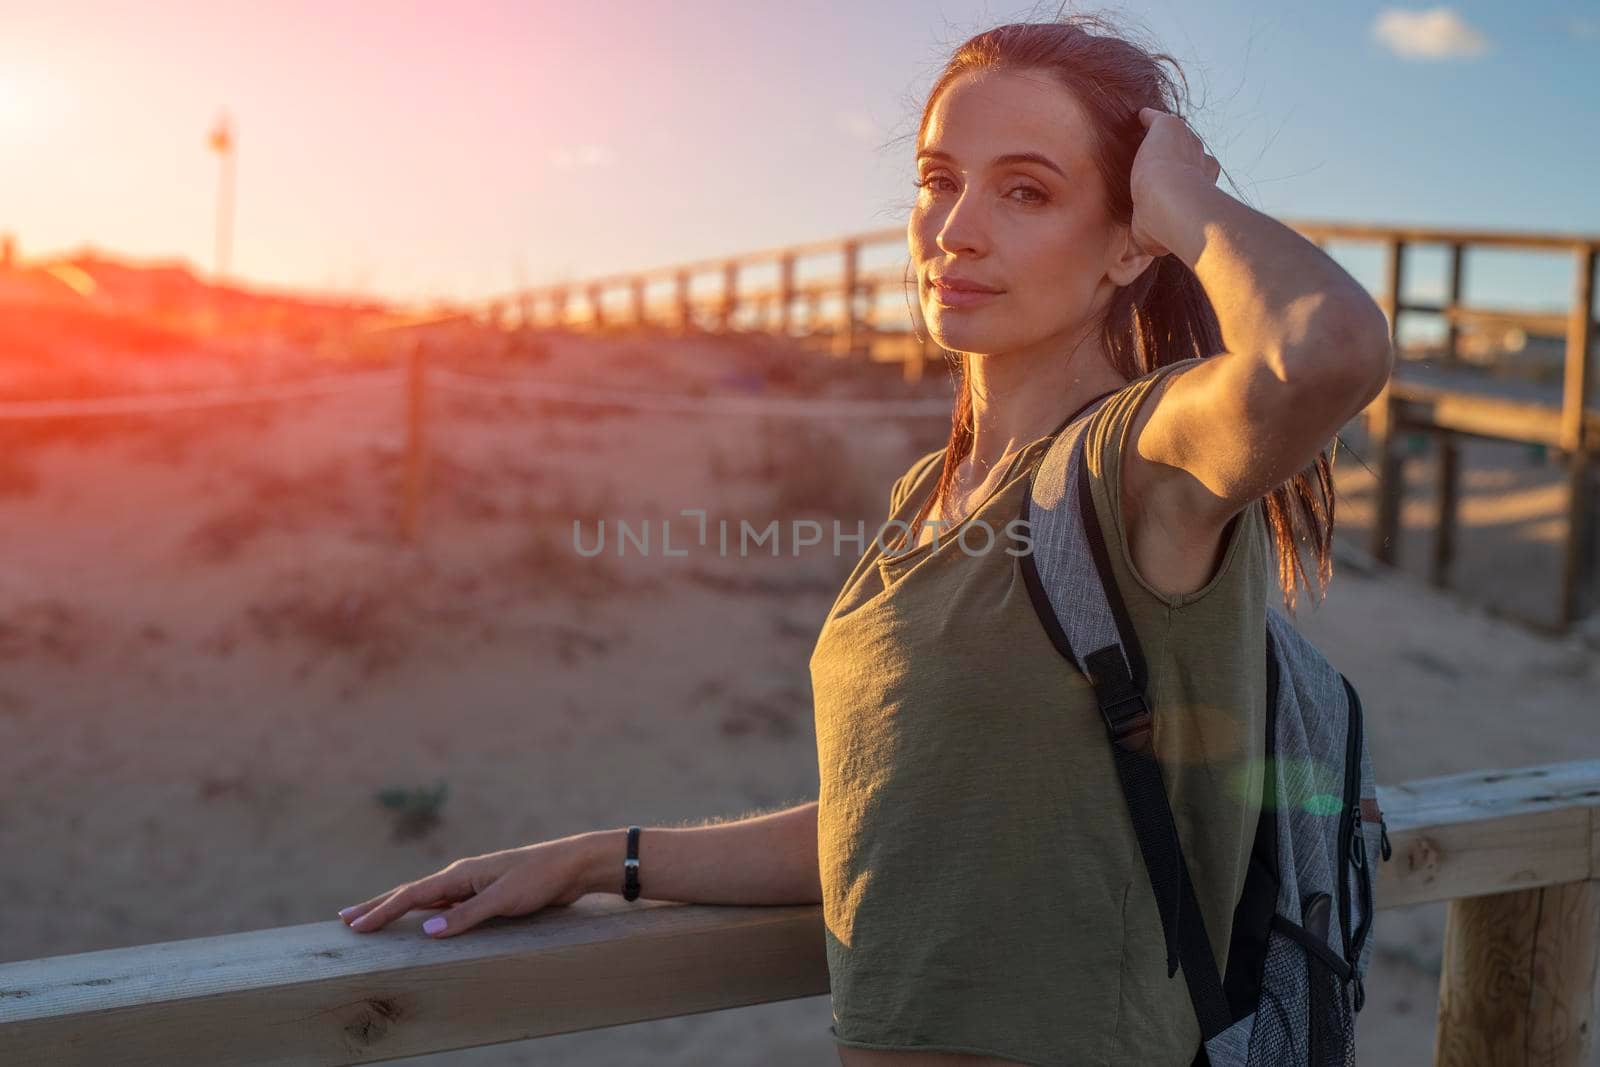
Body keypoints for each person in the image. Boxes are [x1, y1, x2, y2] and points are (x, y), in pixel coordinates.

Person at [338, 14, 1393, 1066]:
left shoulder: (1136, 464)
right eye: (940, 180)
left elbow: (1330, 347)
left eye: (1025, 190)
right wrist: (598, 858)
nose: (956, 228)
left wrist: (1186, 200)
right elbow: (889, 817)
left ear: (1128, 243)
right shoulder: (924, 500)